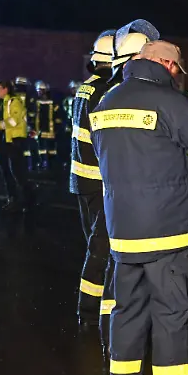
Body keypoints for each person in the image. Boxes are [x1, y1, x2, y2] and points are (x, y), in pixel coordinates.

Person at [91, 35, 188, 375]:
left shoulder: (107, 102)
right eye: (178, 72)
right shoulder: (171, 103)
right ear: (169, 66)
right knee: (175, 318)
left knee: (127, 315)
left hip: (123, 233)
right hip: (169, 233)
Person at [70, 29, 122, 333]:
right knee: (101, 250)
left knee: (96, 247)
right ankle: (92, 314)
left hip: (82, 180)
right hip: (101, 182)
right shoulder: (106, 90)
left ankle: (92, 312)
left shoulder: (86, 87)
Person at [0, 79, 30, 214]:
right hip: (2, 142)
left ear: (6, 89)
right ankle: (13, 199)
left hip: (14, 142)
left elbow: (13, 121)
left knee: (17, 172)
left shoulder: (14, 102)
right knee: (6, 172)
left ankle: (27, 200)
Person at [34, 81, 62, 171]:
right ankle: (43, 164)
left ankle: (51, 165)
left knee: (51, 149)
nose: (39, 92)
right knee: (41, 149)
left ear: (45, 91)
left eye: (41, 90)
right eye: (38, 90)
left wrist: (57, 128)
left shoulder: (53, 103)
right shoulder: (36, 102)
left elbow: (58, 116)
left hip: (51, 131)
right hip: (40, 131)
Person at [14, 76, 38, 169]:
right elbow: (32, 112)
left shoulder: (12, 96)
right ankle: (28, 166)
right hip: (25, 126)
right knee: (26, 147)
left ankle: (17, 166)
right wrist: (31, 126)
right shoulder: (29, 96)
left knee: (16, 147)